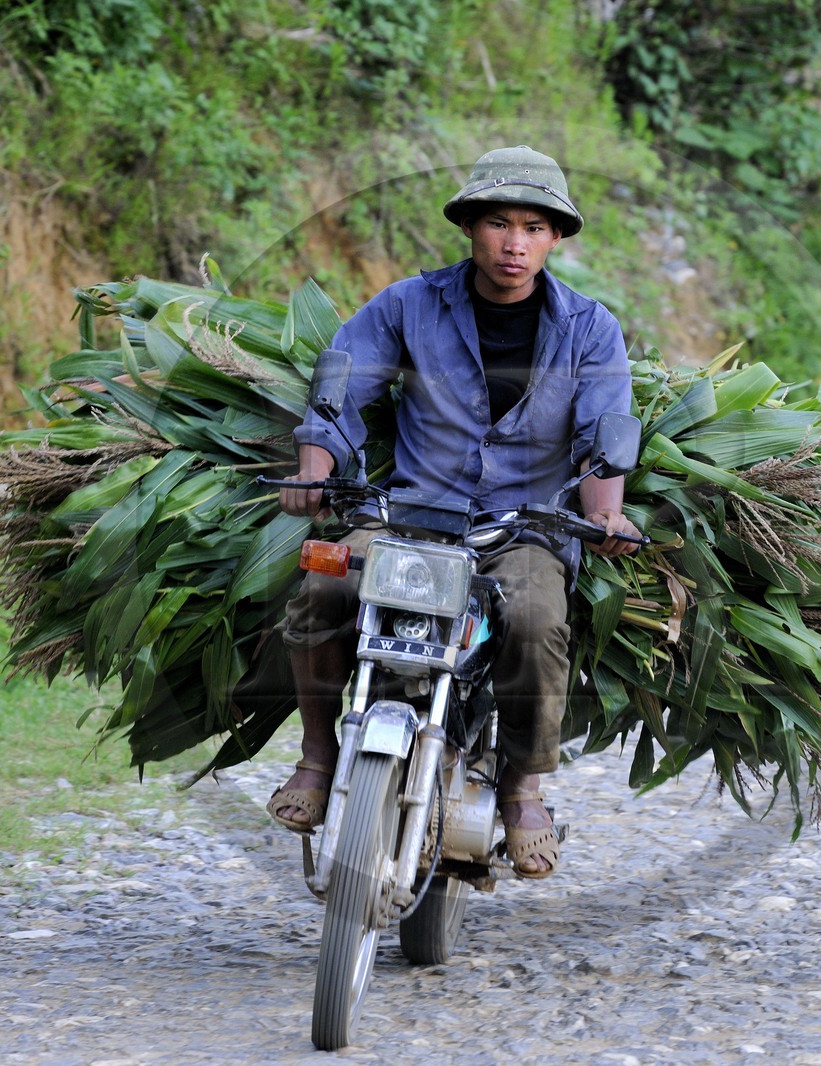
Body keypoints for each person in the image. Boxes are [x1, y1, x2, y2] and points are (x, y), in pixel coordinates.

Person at [271, 145, 641, 878]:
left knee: (536, 618)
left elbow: (604, 430)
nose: (514, 242)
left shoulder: (590, 328)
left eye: (534, 227)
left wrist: (607, 516)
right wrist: (313, 472)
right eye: (498, 223)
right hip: (409, 514)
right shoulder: (409, 304)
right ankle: (317, 759)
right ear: (469, 227)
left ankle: (523, 789)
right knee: (323, 587)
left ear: (556, 239)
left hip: (522, 527)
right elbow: (344, 390)